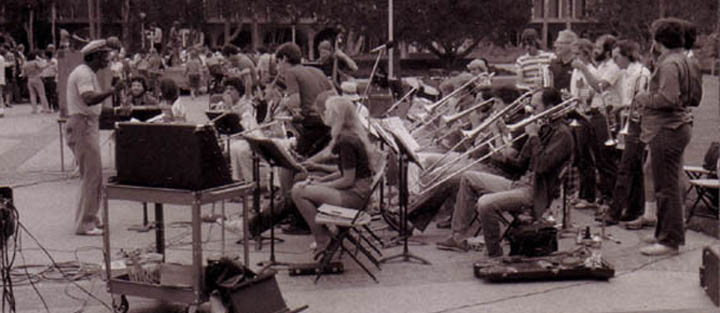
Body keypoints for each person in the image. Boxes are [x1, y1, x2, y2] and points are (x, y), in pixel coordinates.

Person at [436, 88, 574, 255]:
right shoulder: (544, 128)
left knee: (485, 203)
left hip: (536, 192)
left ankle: (495, 254)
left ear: (550, 106)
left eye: (535, 108)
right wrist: (500, 151)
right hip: (521, 183)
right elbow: (519, 163)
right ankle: (458, 237)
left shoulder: (563, 134)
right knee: (468, 177)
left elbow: (542, 166)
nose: (532, 113)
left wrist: (533, 136)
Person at [633, 18, 699, 256]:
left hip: (666, 130)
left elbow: (668, 98)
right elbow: (692, 97)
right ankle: (665, 234)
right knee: (667, 184)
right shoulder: (685, 60)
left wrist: (644, 98)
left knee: (666, 187)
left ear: (658, 40)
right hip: (677, 127)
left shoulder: (669, 63)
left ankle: (669, 241)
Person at [291, 96, 376, 255]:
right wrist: (321, 180)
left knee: (298, 191)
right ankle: (326, 234)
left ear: (337, 115)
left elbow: (347, 180)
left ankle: (322, 238)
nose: (324, 113)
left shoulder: (346, 141)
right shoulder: (350, 135)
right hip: (360, 193)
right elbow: (344, 172)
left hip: (354, 197)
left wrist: (320, 186)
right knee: (304, 188)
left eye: (328, 111)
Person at [66, 39, 121, 236]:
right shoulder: (83, 74)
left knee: (93, 175)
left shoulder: (87, 73)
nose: (106, 58)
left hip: (87, 123)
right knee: (91, 175)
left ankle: (90, 218)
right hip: (83, 125)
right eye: (103, 55)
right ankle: (85, 223)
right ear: (94, 56)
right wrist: (111, 91)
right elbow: (88, 99)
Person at [605, 39, 651, 225]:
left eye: (617, 57)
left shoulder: (641, 73)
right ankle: (632, 209)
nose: (615, 61)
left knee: (626, 168)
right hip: (628, 122)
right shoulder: (626, 74)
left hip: (637, 124)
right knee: (632, 168)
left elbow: (640, 101)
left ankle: (615, 211)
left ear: (627, 55)